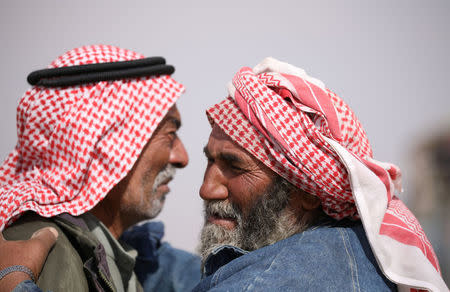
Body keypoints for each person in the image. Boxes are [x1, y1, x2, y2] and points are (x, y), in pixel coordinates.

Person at [193, 58, 448, 291]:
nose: (207, 189)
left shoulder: (264, 284)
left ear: (308, 192)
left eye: (235, 167)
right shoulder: (358, 252)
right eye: (210, 160)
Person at [0, 45, 200, 292]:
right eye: (169, 135)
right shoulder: (45, 249)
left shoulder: (115, 253)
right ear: (108, 147)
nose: (183, 158)